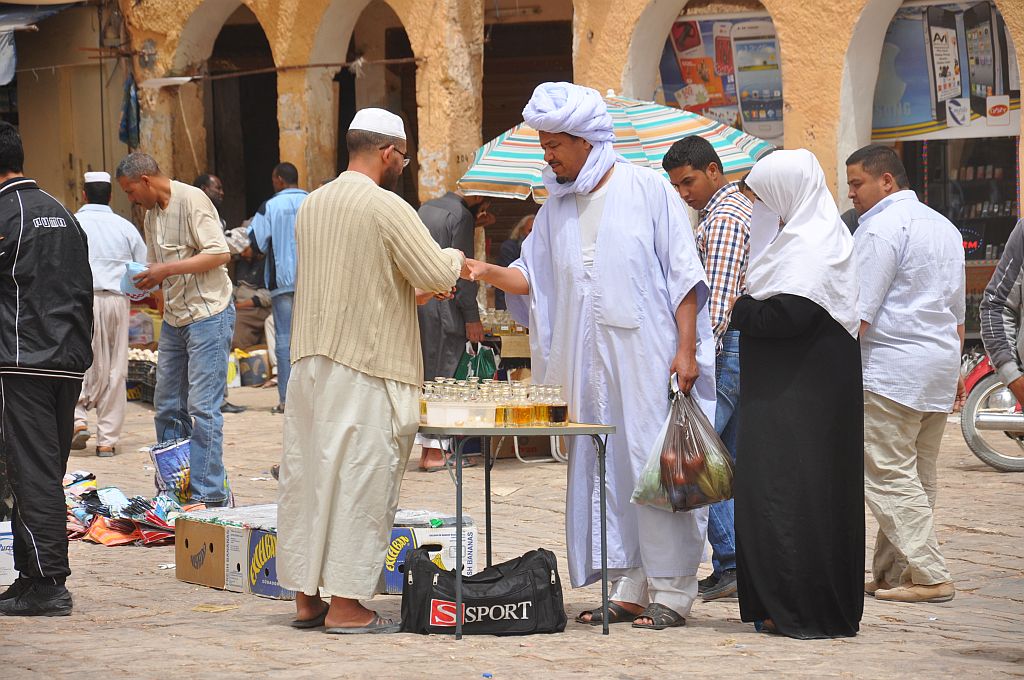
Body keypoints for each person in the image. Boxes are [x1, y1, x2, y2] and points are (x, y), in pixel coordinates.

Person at [463, 82, 714, 630]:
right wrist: (482, 270)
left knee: (654, 466)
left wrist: (686, 350)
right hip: (588, 363)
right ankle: (628, 586)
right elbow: (531, 278)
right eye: (544, 145)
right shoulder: (555, 209)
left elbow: (684, 277)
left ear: (585, 140)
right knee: (607, 468)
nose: (548, 155)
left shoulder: (648, 190)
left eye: (554, 145)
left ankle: (673, 591)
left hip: (648, 359)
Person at [276, 108, 466, 633]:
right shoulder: (386, 206)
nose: (402, 165)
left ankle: (307, 598)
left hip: (309, 365)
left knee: (310, 481)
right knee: (361, 482)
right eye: (403, 157)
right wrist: (456, 258)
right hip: (367, 365)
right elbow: (434, 272)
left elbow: (370, 280)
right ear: (388, 153)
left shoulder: (313, 204)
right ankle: (345, 605)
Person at [730, 148, 863, 639]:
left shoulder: (810, 245)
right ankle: (784, 604)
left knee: (792, 495)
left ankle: (800, 607)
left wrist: (740, 309)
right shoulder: (812, 239)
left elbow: (786, 316)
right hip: (794, 396)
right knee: (787, 492)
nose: (763, 210)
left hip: (800, 402)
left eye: (767, 198)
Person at [847, 144, 963, 604]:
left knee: (888, 474)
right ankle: (895, 574)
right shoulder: (944, 226)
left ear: (886, 181)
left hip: (891, 369)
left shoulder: (880, 228)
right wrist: (954, 366)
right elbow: (956, 313)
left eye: (857, 183)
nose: (851, 193)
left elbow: (858, 313)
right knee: (916, 475)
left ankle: (931, 574)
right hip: (936, 365)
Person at [0, 121, 93, 616]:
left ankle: (49, 584)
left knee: (31, 472)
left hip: (23, 360)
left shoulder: (6, 214)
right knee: (42, 470)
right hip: (66, 361)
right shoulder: (62, 213)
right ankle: (30, 575)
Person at [117, 152, 235, 507]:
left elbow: (219, 253)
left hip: (208, 314)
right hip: (175, 318)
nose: (131, 199)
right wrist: (147, 283)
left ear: (145, 180)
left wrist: (165, 272)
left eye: (130, 191)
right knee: (167, 404)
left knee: (202, 408)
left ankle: (209, 494)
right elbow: (157, 265)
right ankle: (175, 487)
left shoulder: (192, 200)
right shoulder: (151, 215)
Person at [663, 135, 751, 602]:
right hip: (732, 349)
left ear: (713, 171)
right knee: (724, 459)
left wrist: (694, 357)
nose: (684, 193)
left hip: (723, 349)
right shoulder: (728, 213)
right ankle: (735, 560)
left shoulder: (725, 219)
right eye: (677, 186)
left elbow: (717, 301)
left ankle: (731, 560)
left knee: (698, 457)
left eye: (689, 182)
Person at [71, 171, 148, 457]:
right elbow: (142, 267)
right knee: (116, 367)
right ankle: (107, 440)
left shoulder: (73, 222)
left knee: (77, 360)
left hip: (80, 300)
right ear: (111, 196)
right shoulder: (124, 227)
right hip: (116, 300)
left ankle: (77, 419)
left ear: (84, 194)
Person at [415, 189, 487, 471]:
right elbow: (464, 272)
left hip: (422, 301)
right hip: (445, 303)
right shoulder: (462, 216)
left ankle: (428, 450)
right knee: (445, 374)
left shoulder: (426, 208)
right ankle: (435, 453)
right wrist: (472, 316)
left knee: (429, 375)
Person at [248, 163, 308, 414]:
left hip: (282, 281)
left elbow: (256, 243)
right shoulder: (312, 200)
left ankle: (286, 400)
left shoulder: (270, 206)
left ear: (280, 180)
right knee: (312, 340)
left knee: (284, 340)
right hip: (312, 280)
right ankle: (311, 400)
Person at [194, 173, 246, 414]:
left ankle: (218, 399)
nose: (222, 193)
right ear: (203, 189)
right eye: (218, 188)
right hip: (203, 296)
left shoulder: (217, 219)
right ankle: (211, 403)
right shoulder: (197, 216)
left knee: (218, 351)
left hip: (218, 294)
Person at [494, 214, 534, 310]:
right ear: (521, 231)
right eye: (530, 231)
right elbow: (505, 277)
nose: (533, 235)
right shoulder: (509, 248)